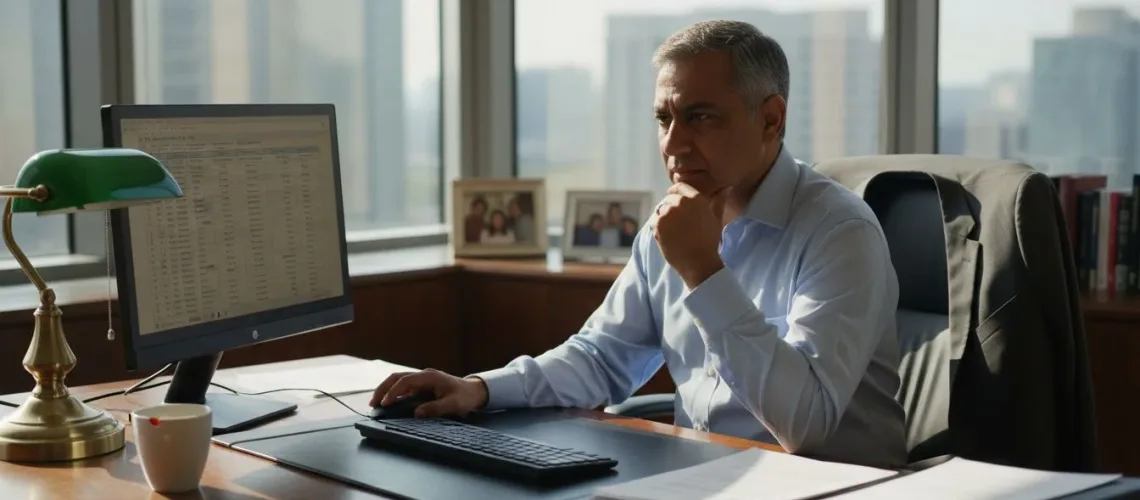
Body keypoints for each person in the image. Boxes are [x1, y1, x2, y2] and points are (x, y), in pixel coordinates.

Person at [372, 20, 905, 467]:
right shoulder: (669, 225)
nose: (673, 144)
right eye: (663, 119)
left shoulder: (840, 232)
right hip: (705, 477)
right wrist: (479, 389)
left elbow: (805, 427)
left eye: (699, 116)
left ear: (771, 118)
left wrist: (703, 270)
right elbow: (602, 359)